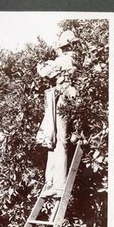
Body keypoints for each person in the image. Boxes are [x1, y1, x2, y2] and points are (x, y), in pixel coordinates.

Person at [35, 30, 78, 197]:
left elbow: (44, 72)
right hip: (71, 98)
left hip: (63, 98)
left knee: (58, 142)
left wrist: (42, 63)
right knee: (57, 141)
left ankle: (57, 185)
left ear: (63, 47)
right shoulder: (78, 59)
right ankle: (52, 182)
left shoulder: (64, 59)